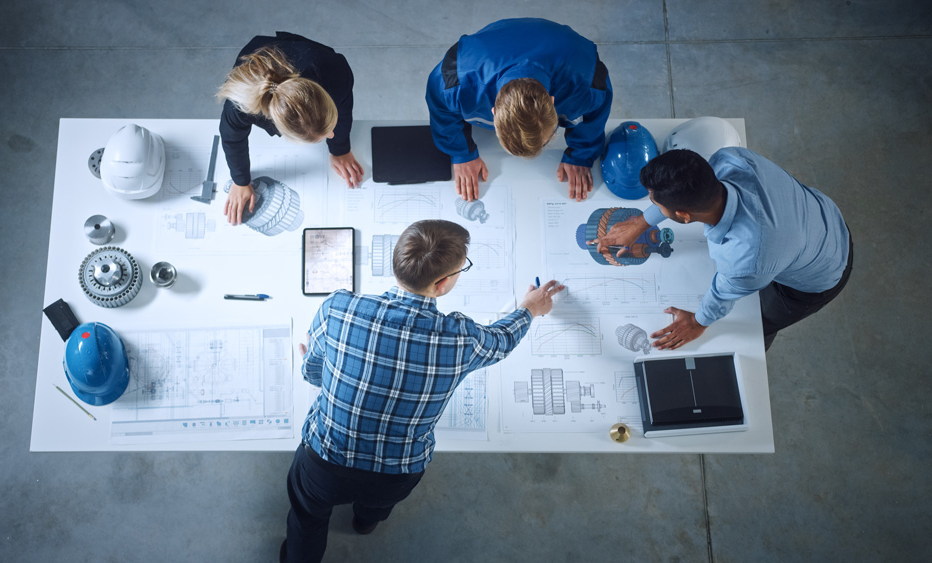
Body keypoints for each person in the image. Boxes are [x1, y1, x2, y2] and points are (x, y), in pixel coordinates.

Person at [282, 219, 563, 563]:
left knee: (307, 519)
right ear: (443, 284)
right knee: (375, 509)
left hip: (323, 461)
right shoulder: (461, 338)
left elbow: (312, 370)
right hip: (396, 472)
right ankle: (364, 524)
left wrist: (318, 370)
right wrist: (531, 308)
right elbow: (502, 341)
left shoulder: (338, 308)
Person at [597, 147, 852, 351]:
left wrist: (697, 322)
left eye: (655, 202)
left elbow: (723, 294)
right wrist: (642, 222)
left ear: (684, 216)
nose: (652, 204)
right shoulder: (732, 159)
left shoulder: (747, 258)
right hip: (824, 215)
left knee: (754, 324)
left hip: (822, 271)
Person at [425, 18, 613, 203]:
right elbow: (441, 110)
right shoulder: (455, 82)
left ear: (552, 101)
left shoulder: (589, 84)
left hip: (566, 49)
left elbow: (595, 114)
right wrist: (461, 153)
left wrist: (581, 155)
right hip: (485, 49)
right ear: (493, 112)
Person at [217, 33, 364, 225]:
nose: (331, 134)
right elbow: (232, 138)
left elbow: (343, 108)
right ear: (281, 130)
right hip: (257, 60)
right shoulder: (240, 106)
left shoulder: (335, 71)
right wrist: (240, 180)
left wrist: (340, 148)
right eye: (324, 136)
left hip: (308, 55)